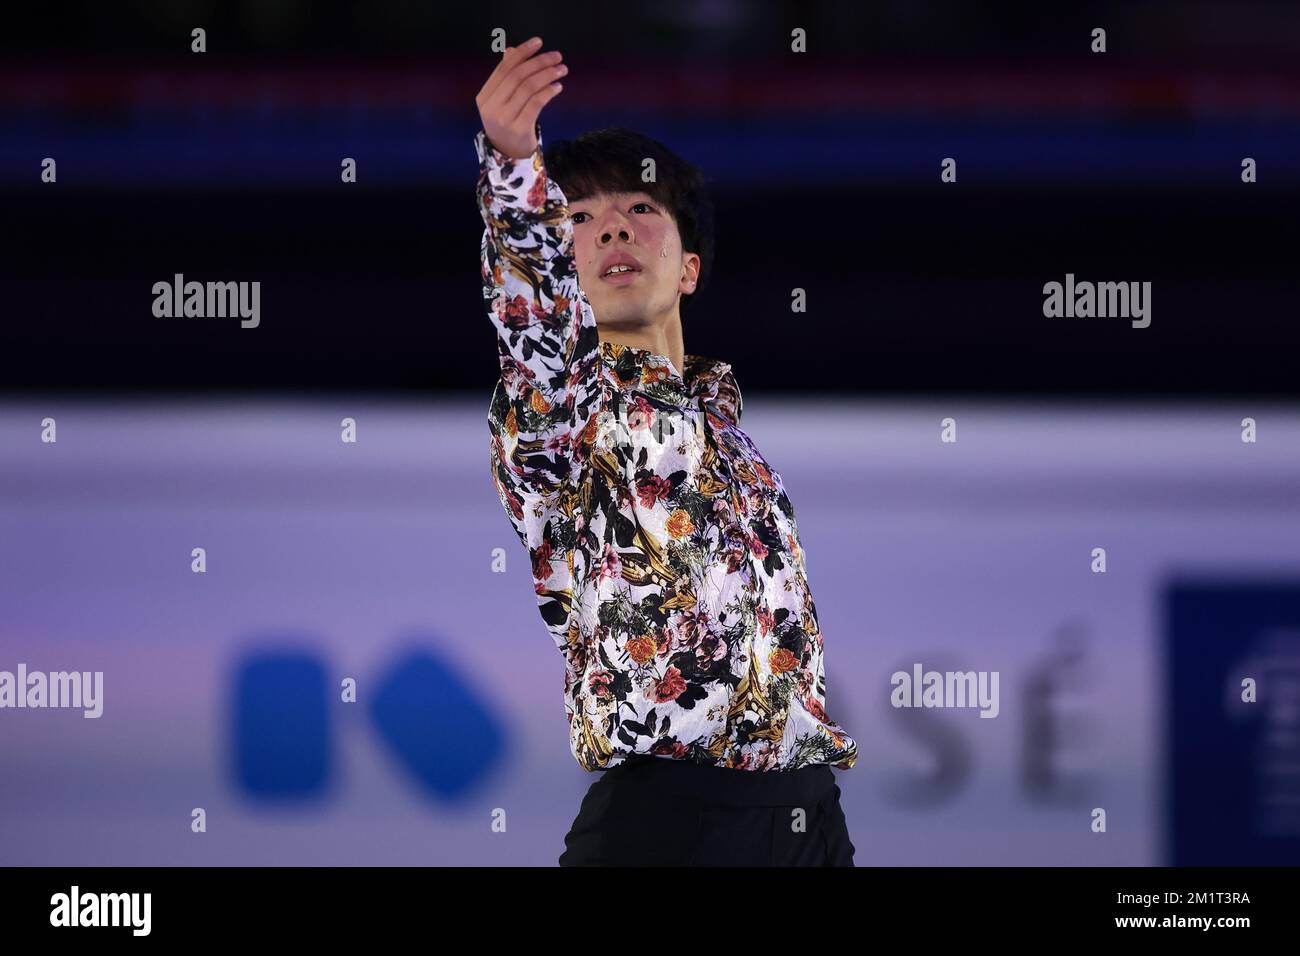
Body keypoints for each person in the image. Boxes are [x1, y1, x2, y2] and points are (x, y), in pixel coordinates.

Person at [475, 36, 857, 866]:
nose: (612, 222)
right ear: (561, 266)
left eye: (640, 208)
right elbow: (536, 327)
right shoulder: (558, 416)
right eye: (578, 217)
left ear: (688, 266)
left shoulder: (735, 438)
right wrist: (513, 165)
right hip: (666, 829)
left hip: (806, 817)